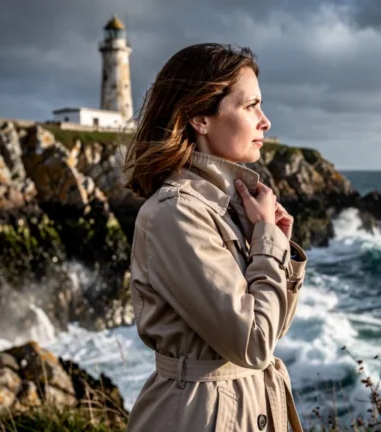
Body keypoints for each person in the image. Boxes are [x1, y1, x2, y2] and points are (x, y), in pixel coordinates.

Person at [122, 43, 308, 431]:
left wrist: (276, 246)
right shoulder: (175, 213)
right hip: (199, 416)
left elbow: (269, 331)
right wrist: (266, 248)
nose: (265, 120)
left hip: (242, 405)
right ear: (199, 118)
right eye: (250, 105)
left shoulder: (225, 207)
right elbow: (253, 345)